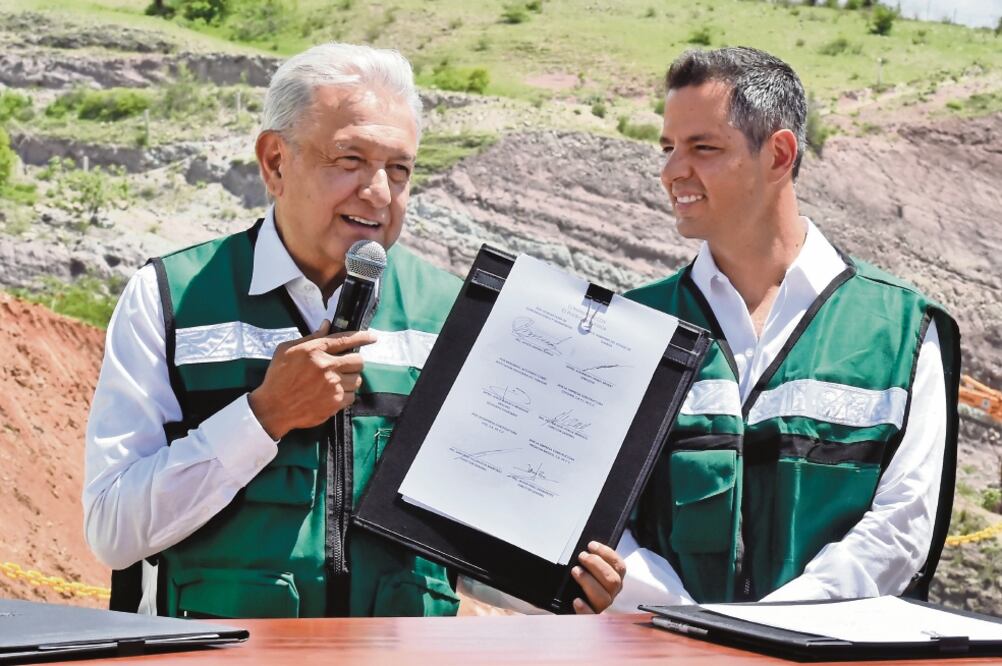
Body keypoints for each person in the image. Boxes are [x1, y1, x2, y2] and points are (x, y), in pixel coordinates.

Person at [83, 42, 625, 618]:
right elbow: (113, 529)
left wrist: (565, 584)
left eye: (400, 170)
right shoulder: (170, 296)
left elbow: (467, 552)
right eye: (350, 160)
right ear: (275, 162)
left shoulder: (451, 314)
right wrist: (264, 416)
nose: (379, 192)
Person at [611, 46, 960, 608]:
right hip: (658, 642)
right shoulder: (632, 323)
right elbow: (596, 513)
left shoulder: (901, 331)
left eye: (703, 147)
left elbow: (903, 523)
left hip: (821, 646)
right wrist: (683, 619)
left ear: (778, 154)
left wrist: (771, 630)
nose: (673, 171)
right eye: (668, 148)